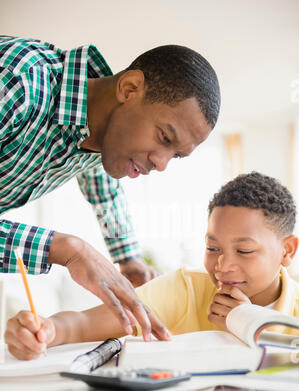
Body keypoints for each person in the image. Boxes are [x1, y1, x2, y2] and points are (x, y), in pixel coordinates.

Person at [0, 36, 221, 340]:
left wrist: (128, 257)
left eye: (176, 156)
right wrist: (65, 248)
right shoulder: (18, 81)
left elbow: (105, 193)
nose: (162, 164)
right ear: (129, 88)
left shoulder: (100, 134)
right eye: (165, 138)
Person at [10, 170, 297, 361]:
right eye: (212, 248)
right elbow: (85, 324)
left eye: (244, 250)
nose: (223, 266)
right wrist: (47, 330)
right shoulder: (186, 288)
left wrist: (246, 322)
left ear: (287, 250)